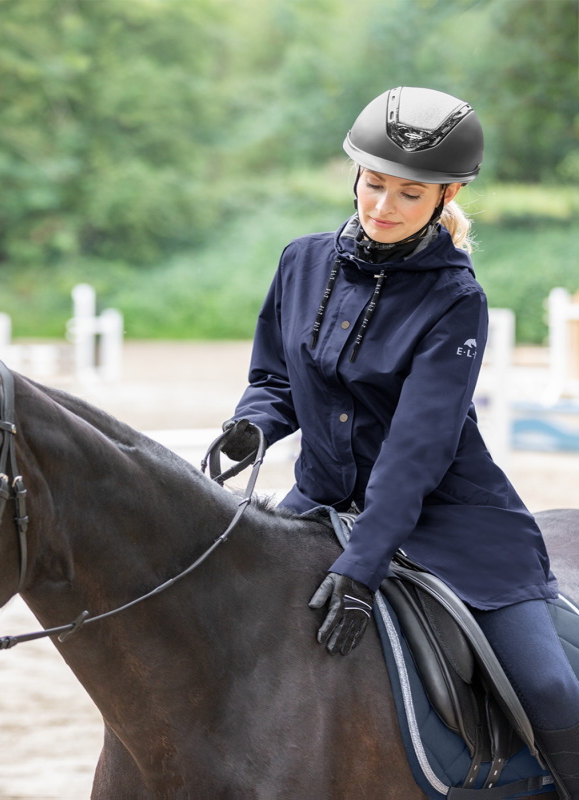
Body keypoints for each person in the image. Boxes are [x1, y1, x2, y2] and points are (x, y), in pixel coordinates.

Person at [221, 86, 579, 797]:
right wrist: (250, 426)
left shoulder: (455, 299)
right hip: (319, 499)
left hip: (455, 522)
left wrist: (361, 567)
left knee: (549, 685)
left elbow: (417, 451)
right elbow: (276, 377)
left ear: (446, 197)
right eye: (373, 185)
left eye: (408, 195)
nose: (382, 206)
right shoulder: (301, 262)